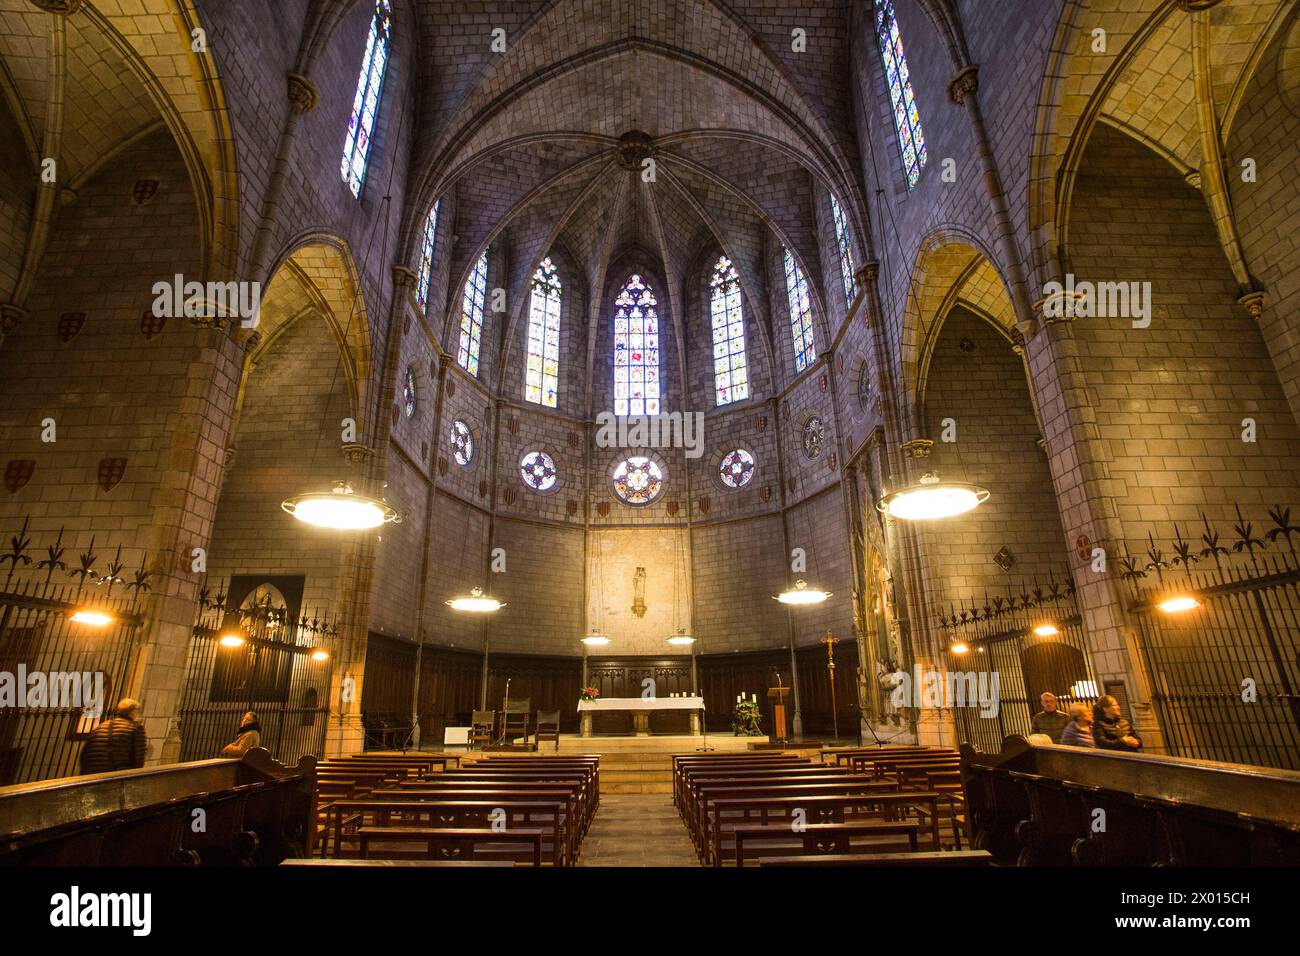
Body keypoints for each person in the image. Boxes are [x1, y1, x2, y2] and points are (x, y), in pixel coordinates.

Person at [79, 698, 147, 774]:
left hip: (90, 776)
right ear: (132, 713)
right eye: (137, 712)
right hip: (114, 777)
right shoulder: (136, 729)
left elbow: (84, 756)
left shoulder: (100, 727)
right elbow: (138, 761)